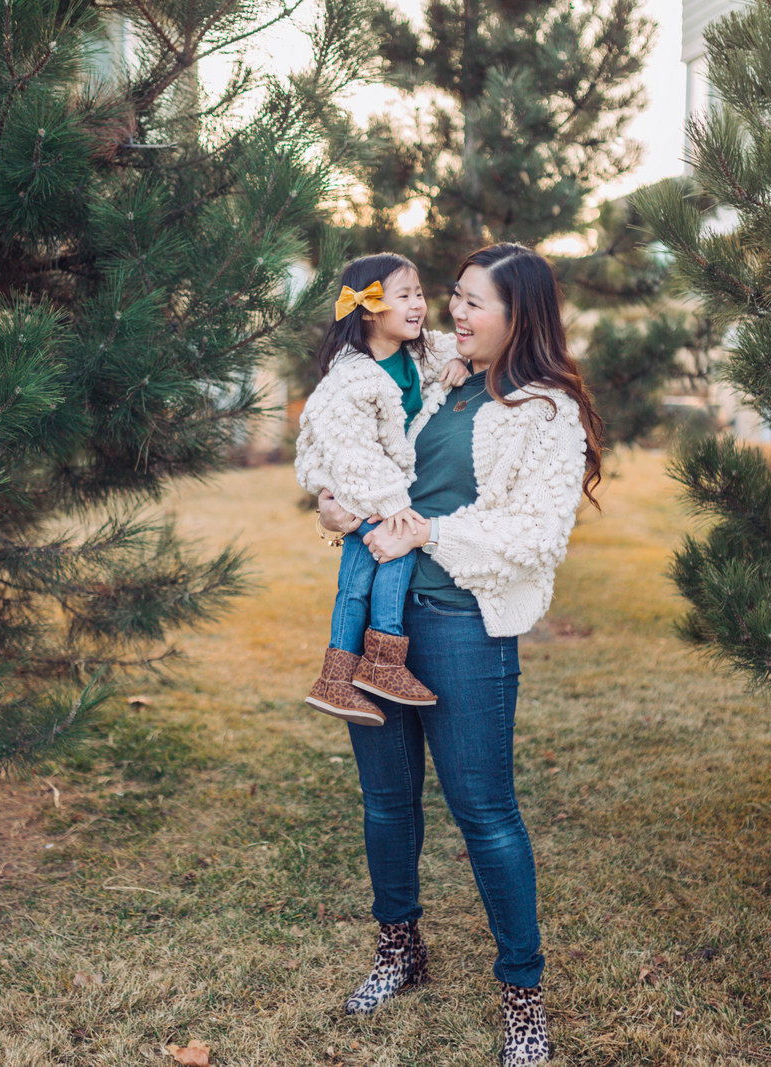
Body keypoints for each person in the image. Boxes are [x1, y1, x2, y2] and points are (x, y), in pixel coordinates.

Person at [317, 243, 604, 1067]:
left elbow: (537, 537)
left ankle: (523, 998)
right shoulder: (435, 377)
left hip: (462, 627)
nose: (455, 313)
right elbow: (353, 435)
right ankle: (400, 949)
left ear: (521, 317)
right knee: (386, 801)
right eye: (454, 297)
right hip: (381, 615)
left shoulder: (547, 414)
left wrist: (433, 531)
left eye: (475, 302)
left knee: (484, 813)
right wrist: (333, 502)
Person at [295, 254, 470, 725]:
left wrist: (458, 360)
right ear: (371, 309)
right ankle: (354, 672)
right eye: (405, 296)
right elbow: (351, 450)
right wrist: (393, 504)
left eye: (419, 294)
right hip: (364, 485)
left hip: (389, 486)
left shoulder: (419, 351)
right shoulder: (353, 374)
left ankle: (365, 669)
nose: (419, 304)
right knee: (361, 580)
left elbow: (461, 346)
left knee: (382, 566)